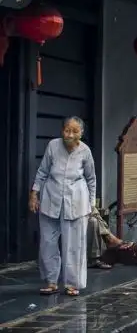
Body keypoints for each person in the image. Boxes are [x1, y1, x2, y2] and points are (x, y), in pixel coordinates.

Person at [29, 116, 96, 296]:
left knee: (74, 246)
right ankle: (51, 281)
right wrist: (34, 194)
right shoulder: (53, 146)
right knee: (47, 243)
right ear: (62, 130)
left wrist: (92, 204)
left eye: (75, 131)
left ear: (81, 133)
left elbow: (91, 179)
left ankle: (72, 283)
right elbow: (42, 171)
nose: (70, 134)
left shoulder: (85, 151)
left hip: (76, 203)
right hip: (51, 198)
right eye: (67, 130)